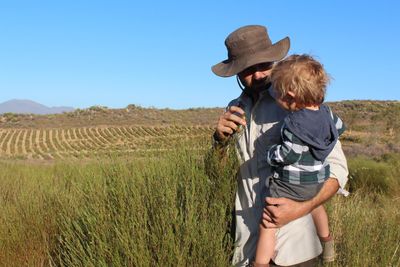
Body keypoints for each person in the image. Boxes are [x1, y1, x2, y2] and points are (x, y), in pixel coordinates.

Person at [211, 25, 348, 267]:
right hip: (246, 247)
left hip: (295, 249)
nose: (259, 74)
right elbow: (216, 174)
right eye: (248, 69)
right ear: (237, 73)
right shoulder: (234, 108)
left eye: (264, 65)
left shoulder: (298, 102)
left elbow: (338, 171)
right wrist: (219, 143)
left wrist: (299, 208)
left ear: (275, 60)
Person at [254, 54, 345, 266]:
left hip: (291, 184)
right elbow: (339, 129)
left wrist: (271, 154)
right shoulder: (327, 112)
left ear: (290, 96)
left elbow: (289, 154)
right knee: (315, 206)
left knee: (267, 223)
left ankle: (260, 262)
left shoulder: (293, 123)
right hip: (316, 179)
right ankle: (327, 242)